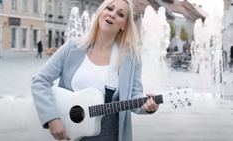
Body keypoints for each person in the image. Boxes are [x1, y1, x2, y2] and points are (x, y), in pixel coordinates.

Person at [31, 0, 159, 141]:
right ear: (100, 12)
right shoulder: (72, 48)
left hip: (109, 134)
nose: (112, 15)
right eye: (109, 9)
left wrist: (147, 106)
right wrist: (52, 118)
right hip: (67, 132)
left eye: (120, 14)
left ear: (124, 25)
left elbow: (134, 97)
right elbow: (40, 81)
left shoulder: (131, 58)